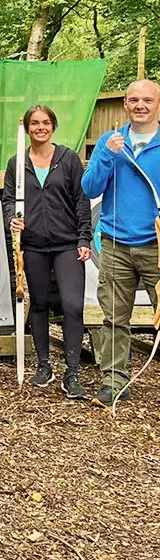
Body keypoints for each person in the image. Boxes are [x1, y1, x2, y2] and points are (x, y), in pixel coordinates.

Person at [3, 105, 91, 399]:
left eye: (45, 123)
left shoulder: (68, 159)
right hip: (34, 245)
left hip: (67, 243)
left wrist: (84, 238)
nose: (40, 127)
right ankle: (44, 365)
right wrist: (11, 219)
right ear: (27, 128)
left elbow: (82, 200)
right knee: (39, 303)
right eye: (34, 123)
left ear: (53, 126)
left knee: (71, 305)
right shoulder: (17, 163)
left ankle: (73, 372)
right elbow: (8, 201)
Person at [82, 79, 160, 408]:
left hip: (157, 244)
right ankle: (114, 381)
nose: (139, 105)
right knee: (114, 317)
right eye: (133, 100)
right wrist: (108, 156)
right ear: (125, 104)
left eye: (147, 100)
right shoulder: (110, 141)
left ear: (157, 104)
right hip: (114, 244)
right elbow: (90, 187)